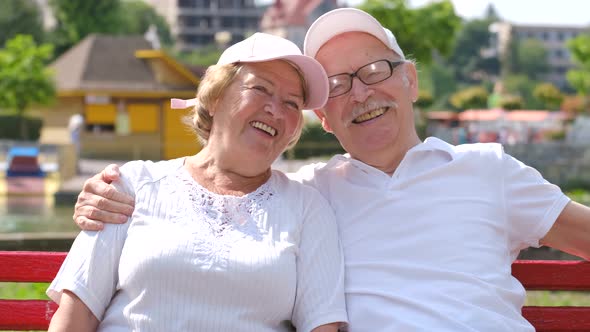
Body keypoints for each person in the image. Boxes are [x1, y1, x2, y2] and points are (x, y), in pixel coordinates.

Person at [71, 8, 590, 331]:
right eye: (338, 85)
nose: (360, 93)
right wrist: (106, 191)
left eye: (373, 71)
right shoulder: (306, 193)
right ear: (322, 118)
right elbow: (221, 186)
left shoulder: (488, 171)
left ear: (408, 79)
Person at [47, 32, 347, 332]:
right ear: (214, 97)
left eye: (292, 103)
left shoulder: (307, 209)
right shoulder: (133, 185)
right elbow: (77, 315)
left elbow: (321, 326)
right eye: (260, 88)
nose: (275, 109)